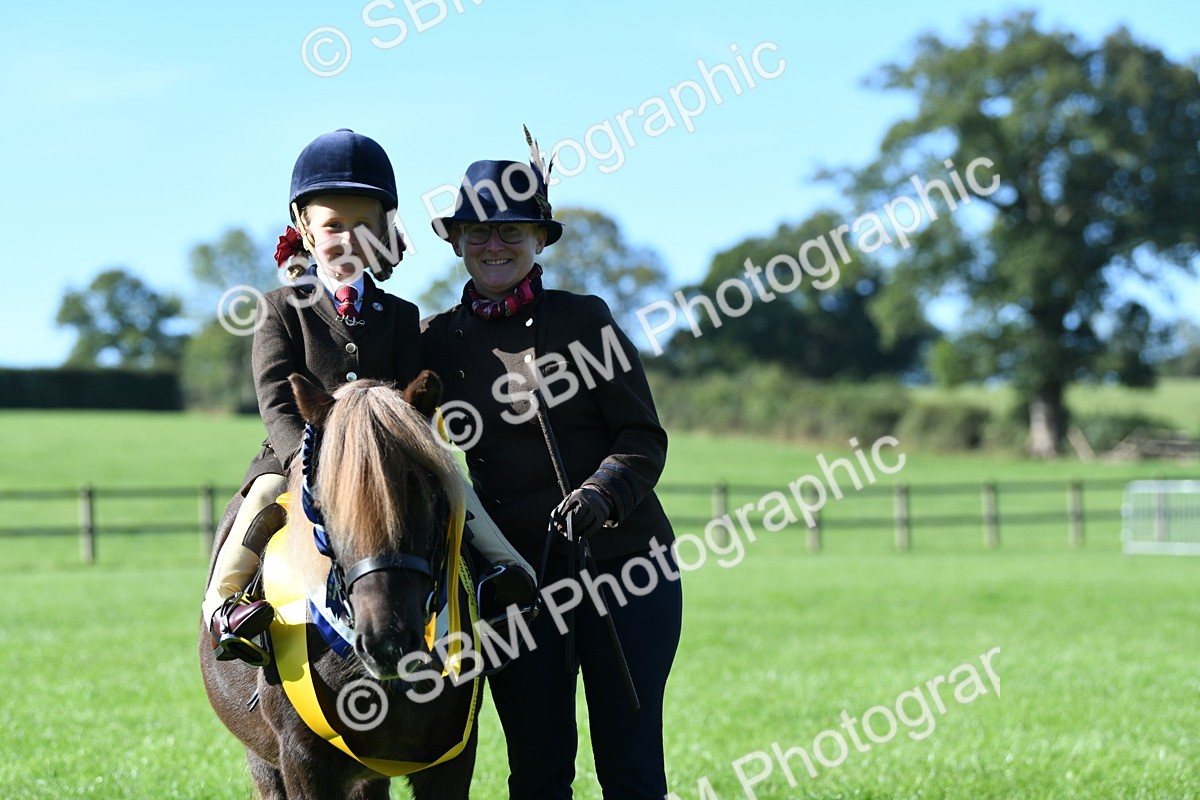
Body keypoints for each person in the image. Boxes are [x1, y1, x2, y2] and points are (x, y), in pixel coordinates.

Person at [203, 129, 535, 667]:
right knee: (261, 497)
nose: (348, 239)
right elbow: (276, 398)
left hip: (387, 456)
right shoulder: (280, 309)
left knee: (453, 485)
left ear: (384, 232)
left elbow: (409, 397)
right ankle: (226, 603)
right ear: (307, 234)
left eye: (364, 226)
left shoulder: (400, 314)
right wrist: (302, 462)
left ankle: (500, 571)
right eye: (333, 226)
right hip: (298, 453)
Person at [420, 133, 683, 798]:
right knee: (537, 770)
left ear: (539, 239)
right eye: (478, 231)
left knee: (630, 763)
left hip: (624, 570)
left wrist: (602, 492)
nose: (494, 245)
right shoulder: (437, 342)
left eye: (511, 230)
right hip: (515, 584)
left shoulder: (583, 321)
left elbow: (642, 436)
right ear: (455, 242)